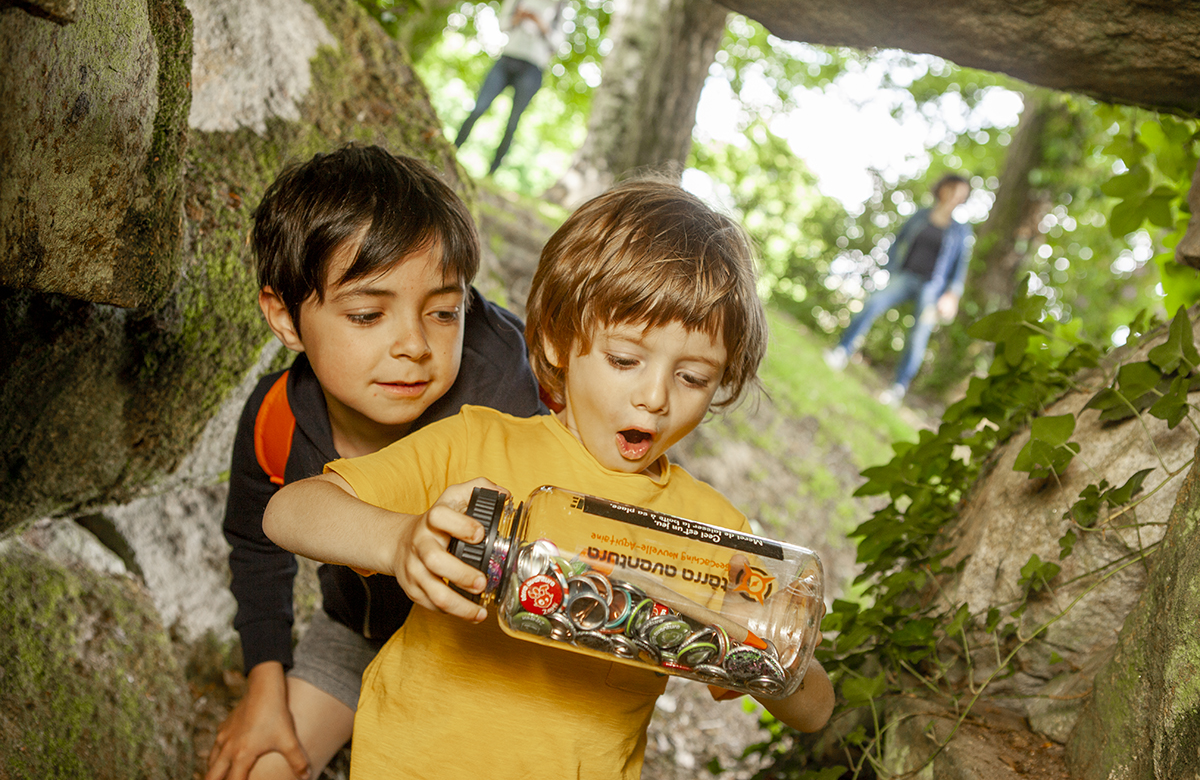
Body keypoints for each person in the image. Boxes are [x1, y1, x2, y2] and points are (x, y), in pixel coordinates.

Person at [262, 179, 836, 779]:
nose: (655, 397)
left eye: (692, 377)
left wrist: (775, 653)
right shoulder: (478, 443)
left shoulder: (711, 535)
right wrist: (398, 540)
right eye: (624, 359)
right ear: (561, 340)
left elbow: (815, 710)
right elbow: (291, 512)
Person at [208, 144, 544, 780]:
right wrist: (264, 687)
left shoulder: (507, 403)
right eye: (367, 314)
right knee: (258, 768)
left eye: (444, 312)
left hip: (486, 662)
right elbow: (256, 547)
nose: (414, 344)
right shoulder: (277, 419)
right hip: (357, 637)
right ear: (285, 317)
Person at [824, 173, 974, 405]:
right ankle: (841, 351)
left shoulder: (960, 231)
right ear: (943, 189)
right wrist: (891, 269)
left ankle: (898, 387)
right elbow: (898, 240)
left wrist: (952, 295)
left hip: (932, 288)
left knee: (919, 335)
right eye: (953, 190)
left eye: (961, 195)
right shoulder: (921, 215)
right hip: (905, 276)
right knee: (873, 303)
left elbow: (959, 267)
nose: (956, 197)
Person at [453, 0, 564, 175]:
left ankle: (492, 171)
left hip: (533, 67)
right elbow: (503, 24)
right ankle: (453, 150)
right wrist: (518, 18)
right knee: (479, 107)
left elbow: (558, 42)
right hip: (507, 59)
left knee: (513, 122)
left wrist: (541, 24)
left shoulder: (558, 5)